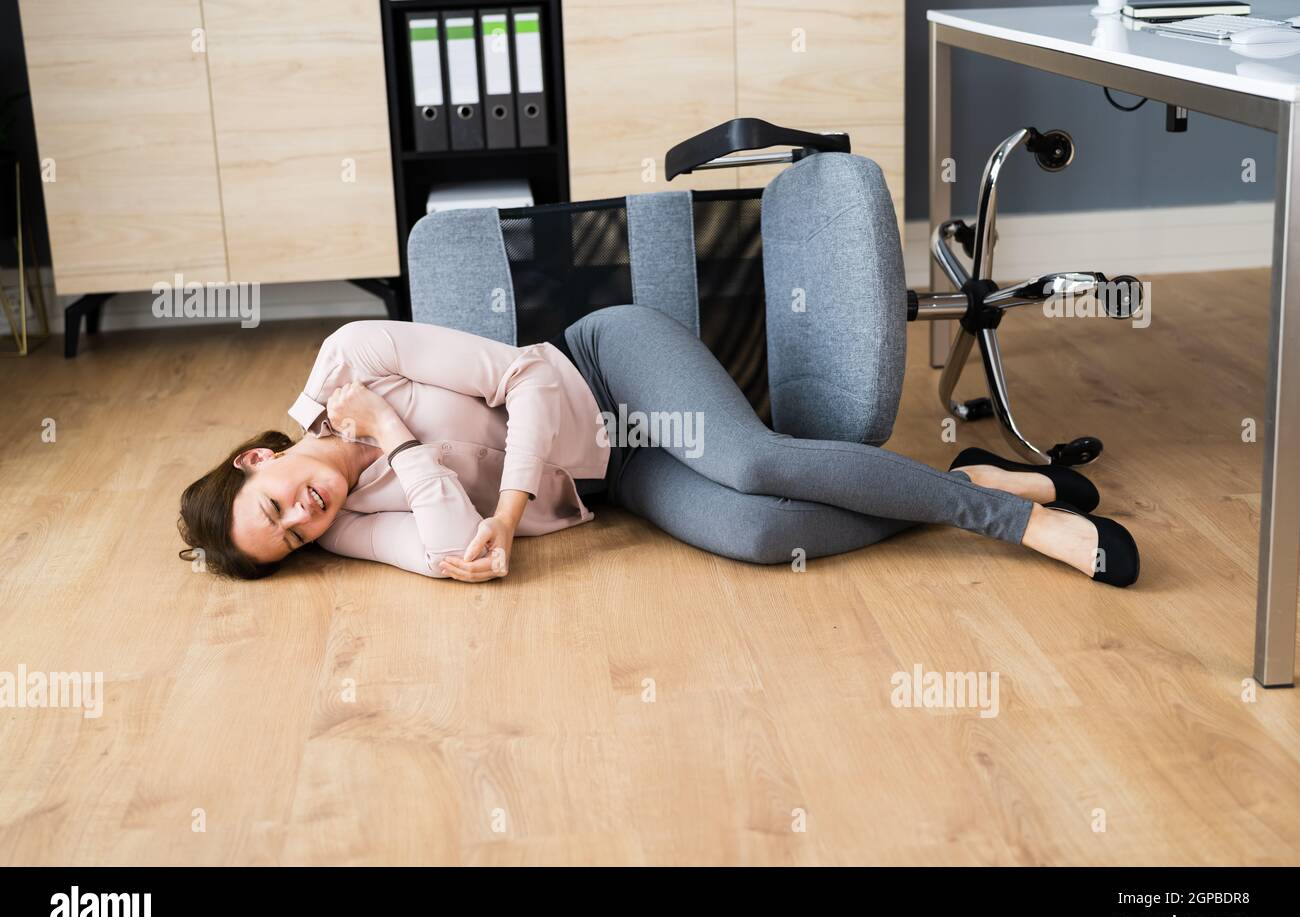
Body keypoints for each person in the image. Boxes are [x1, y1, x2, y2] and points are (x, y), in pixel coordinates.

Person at [178, 310, 1138, 586]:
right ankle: (955, 482)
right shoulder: (348, 525)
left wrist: (505, 515)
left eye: (277, 506)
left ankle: (1016, 522)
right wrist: (394, 447)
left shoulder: (351, 355)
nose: (310, 517)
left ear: (255, 459)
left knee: (755, 465)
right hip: (617, 477)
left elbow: (519, 377)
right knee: (762, 539)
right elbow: (445, 550)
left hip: (605, 370)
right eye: (297, 541)